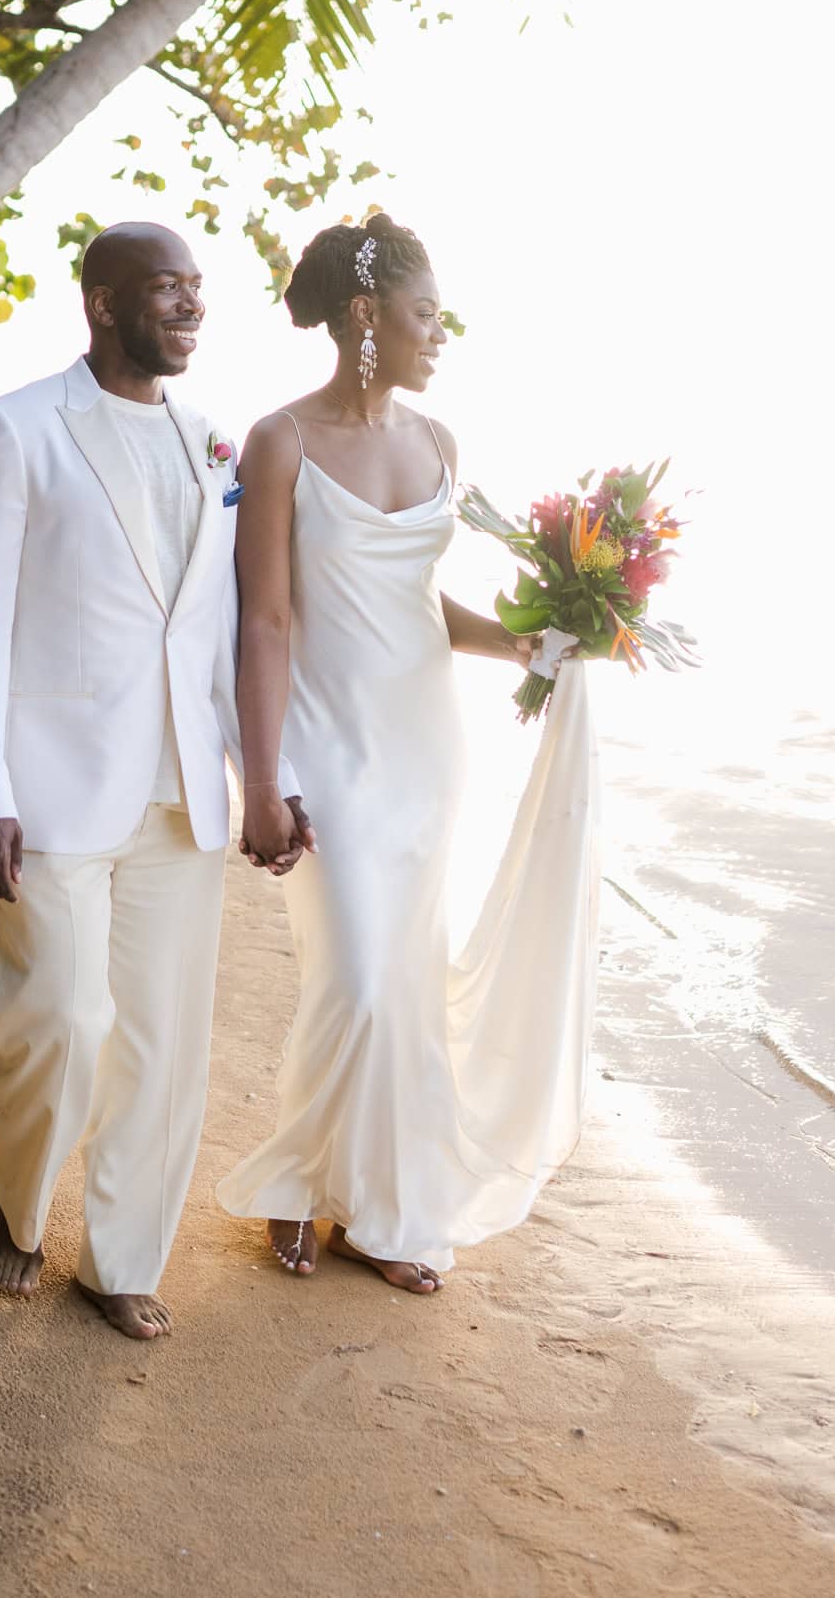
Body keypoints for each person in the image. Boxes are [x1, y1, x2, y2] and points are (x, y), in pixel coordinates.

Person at [0, 222, 306, 1338]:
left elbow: (243, 625)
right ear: (101, 304)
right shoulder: (15, 429)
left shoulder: (211, 444)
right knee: (55, 1018)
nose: (190, 307)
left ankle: (123, 1259)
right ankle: (18, 1195)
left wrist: (268, 779)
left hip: (182, 789)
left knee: (162, 1041)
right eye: (165, 290)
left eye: (197, 289)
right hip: (46, 789)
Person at [218, 214, 597, 1295]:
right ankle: (301, 1178)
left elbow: (417, 599)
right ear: (365, 318)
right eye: (427, 313)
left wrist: (522, 639)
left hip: (428, 743)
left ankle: (378, 1211)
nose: (442, 331)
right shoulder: (279, 440)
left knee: (404, 980)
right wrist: (264, 776)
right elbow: (267, 620)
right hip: (326, 742)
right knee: (356, 980)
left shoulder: (438, 443)